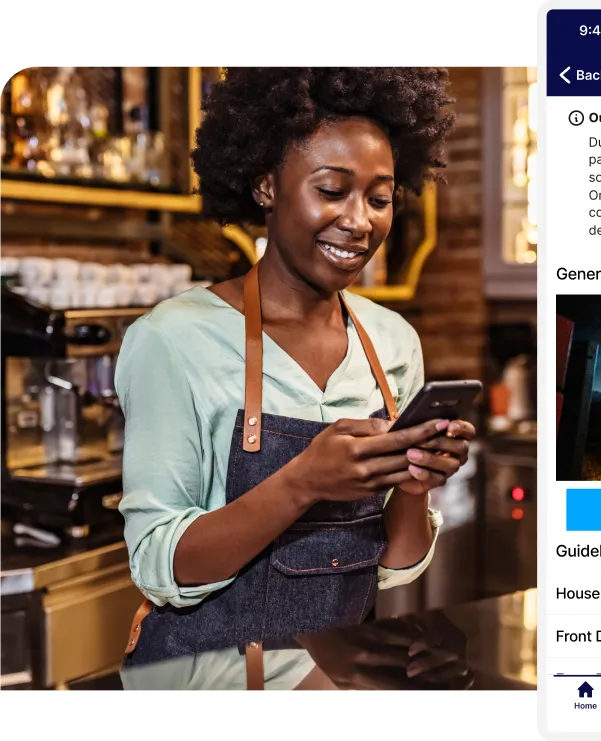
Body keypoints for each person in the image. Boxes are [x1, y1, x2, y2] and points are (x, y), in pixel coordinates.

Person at [116, 65, 471, 693]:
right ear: (265, 186)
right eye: (332, 190)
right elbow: (157, 564)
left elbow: (395, 568)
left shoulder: (392, 343)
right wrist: (304, 482)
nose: (360, 221)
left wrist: (416, 482)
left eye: (380, 198)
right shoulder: (174, 338)